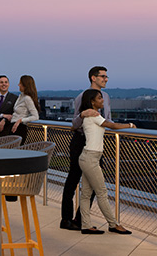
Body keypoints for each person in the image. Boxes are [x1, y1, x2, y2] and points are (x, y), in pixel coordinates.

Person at [76, 89, 135, 234]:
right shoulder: (93, 115)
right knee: (101, 192)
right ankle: (113, 224)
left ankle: (85, 225)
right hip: (90, 157)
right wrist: (130, 125)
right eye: (100, 98)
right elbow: (112, 125)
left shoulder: (90, 115)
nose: (103, 100)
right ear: (92, 102)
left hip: (88, 157)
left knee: (86, 194)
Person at [61, 66, 112, 231]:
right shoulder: (81, 97)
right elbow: (74, 124)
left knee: (94, 185)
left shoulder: (106, 97)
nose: (106, 79)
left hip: (96, 145)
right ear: (93, 78)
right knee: (73, 180)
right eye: (103, 76)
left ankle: (81, 220)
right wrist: (82, 115)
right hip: (81, 141)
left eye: (106, 76)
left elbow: (107, 121)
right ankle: (66, 220)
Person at [9, 75, 40, 144]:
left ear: (25, 85)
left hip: (19, 129)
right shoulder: (20, 97)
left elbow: (35, 116)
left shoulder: (27, 99)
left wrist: (21, 120)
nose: (18, 85)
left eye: (20, 83)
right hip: (13, 127)